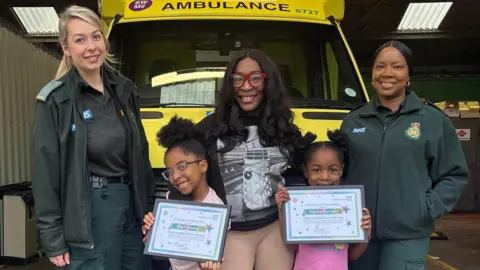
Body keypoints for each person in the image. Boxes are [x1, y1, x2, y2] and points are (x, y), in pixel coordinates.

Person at [166, 48, 317, 270]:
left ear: (268, 82)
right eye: (238, 79)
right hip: (230, 232)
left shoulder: (283, 128)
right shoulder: (208, 129)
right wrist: (169, 216)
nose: (246, 87)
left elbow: (309, 175)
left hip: (273, 230)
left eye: (255, 78)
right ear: (230, 84)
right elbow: (183, 176)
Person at [32, 5, 154, 270]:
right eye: (80, 39)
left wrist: (150, 208)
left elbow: (141, 156)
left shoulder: (125, 90)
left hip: (133, 209)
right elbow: (46, 175)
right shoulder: (56, 100)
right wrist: (53, 239)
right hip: (91, 211)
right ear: (66, 48)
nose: (91, 46)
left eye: (96, 36)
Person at [340, 40, 469, 269]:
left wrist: (427, 207)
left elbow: (454, 174)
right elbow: (339, 172)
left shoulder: (433, 120)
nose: (387, 73)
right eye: (380, 66)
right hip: (359, 232)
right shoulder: (353, 121)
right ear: (372, 75)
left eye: (397, 66)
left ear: (409, 75)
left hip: (408, 234)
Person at [275, 129, 372, 270]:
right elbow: (291, 247)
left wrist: (366, 234)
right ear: (305, 171)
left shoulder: (352, 207)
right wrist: (281, 210)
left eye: (332, 170)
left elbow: (352, 256)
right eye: (316, 170)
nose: (325, 177)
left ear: (341, 170)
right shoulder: (296, 206)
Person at [142, 116, 226, 270]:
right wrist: (150, 227)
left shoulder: (217, 212)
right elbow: (155, 243)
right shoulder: (171, 199)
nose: (175, 177)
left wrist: (207, 265)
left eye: (181, 166)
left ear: (203, 165)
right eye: (170, 171)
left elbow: (217, 258)